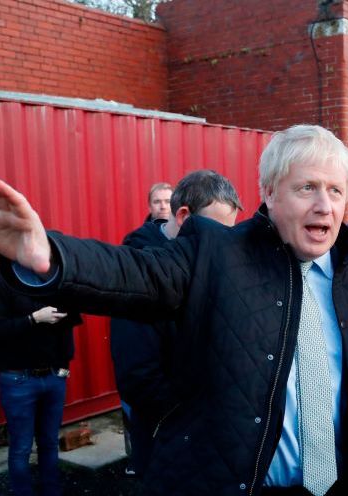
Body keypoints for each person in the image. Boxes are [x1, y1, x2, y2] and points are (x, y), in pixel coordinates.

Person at [0, 124, 348, 496]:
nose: (325, 205)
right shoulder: (218, 255)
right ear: (269, 192)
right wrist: (48, 255)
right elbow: (135, 273)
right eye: (307, 187)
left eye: (336, 191)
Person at [110, 169, 243, 477]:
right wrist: (187, 417)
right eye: (218, 230)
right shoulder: (139, 266)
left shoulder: (206, 259)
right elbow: (138, 375)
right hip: (167, 433)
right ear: (184, 216)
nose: (225, 242)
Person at [0, 272, 83, 496]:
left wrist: (63, 372)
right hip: (19, 379)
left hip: (54, 377)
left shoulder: (59, 280)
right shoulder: (3, 281)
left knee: (49, 443)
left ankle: (52, 491)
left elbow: (70, 326)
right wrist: (34, 318)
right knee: (21, 448)